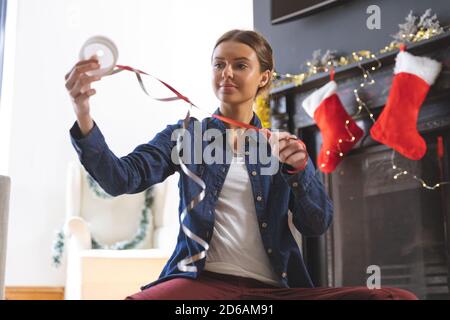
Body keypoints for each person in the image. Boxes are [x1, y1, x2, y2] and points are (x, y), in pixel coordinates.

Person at [64, 29, 417, 300]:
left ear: (264, 76)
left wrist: (298, 173)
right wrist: (83, 113)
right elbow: (120, 179)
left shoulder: (282, 146)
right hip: (201, 286)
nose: (226, 73)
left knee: (394, 297)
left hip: (272, 291)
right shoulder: (186, 136)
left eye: (240, 65)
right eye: (219, 64)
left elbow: (317, 223)